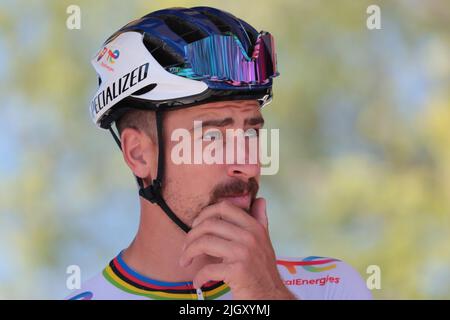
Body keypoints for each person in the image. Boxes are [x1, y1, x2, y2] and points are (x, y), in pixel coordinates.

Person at [67, 6, 372, 300]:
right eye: (213, 137)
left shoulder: (330, 286)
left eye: (251, 133)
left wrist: (267, 295)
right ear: (139, 155)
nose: (248, 166)